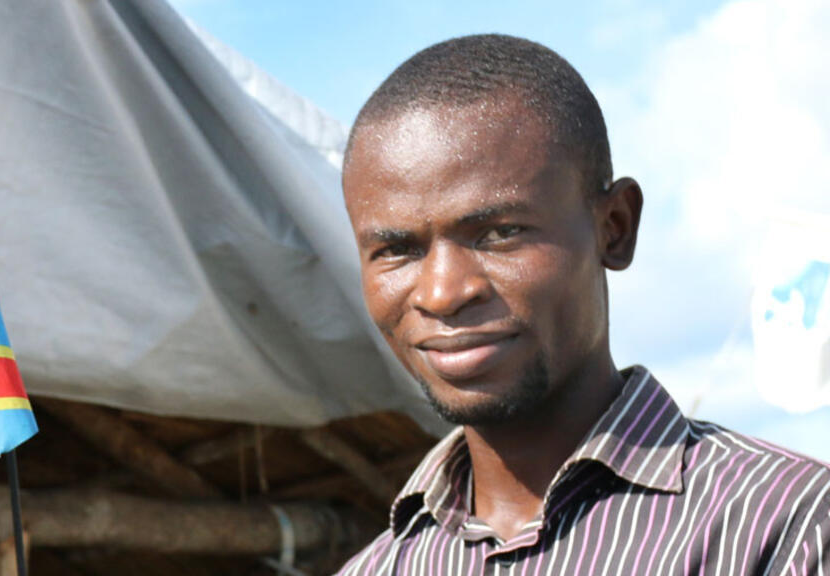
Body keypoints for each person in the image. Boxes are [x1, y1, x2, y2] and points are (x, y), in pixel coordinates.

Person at [335, 34, 830, 575]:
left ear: (614, 229)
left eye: (501, 232)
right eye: (396, 250)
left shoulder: (786, 525)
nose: (442, 293)